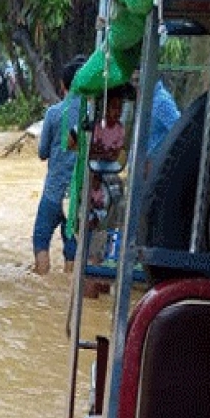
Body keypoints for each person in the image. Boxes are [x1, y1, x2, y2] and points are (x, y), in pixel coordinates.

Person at [33, 56, 86, 275]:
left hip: (54, 191)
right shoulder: (92, 115)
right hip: (77, 195)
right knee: (72, 248)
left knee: (41, 239)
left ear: (63, 85)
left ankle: (42, 279)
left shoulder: (54, 113)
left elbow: (43, 153)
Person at [132, 68, 180, 157]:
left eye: (138, 80)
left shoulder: (162, 101)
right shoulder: (145, 100)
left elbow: (180, 130)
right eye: (133, 81)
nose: (135, 85)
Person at [90, 89, 125, 163]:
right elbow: (91, 153)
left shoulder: (120, 129)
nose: (117, 112)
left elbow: (116, 155)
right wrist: (105, 155)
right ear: (106, 109)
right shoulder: (97, 127)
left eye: (120, 108)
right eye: (114, 107)